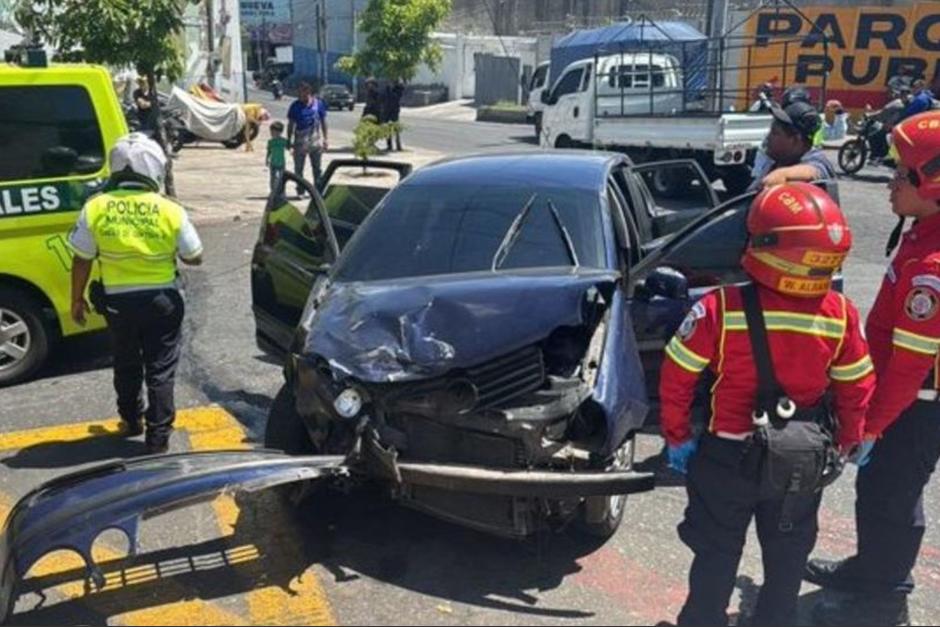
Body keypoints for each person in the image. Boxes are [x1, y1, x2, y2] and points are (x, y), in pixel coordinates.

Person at [661, 182, 875, 626]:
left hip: (727, 456)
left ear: (762, 244)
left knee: (717, 554)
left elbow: (677, 376)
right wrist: (849, 439)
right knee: (787, 560)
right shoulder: (840, 313)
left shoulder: (721, 308)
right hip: (800, 460)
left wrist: (677, 435)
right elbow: (856, 386)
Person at [805, 110, 940, 627]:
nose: (891, 181)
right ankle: (870, 569)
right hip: (900, 396)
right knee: (877, 491)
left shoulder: (932, 267)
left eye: (903, 174)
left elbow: (910, 365)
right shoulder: (923, 234)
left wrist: (872, 425)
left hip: (912, 404)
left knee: (893, 496)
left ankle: (884, 603)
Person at [68, 133, 203, 454]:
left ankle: (131, 419)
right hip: (162, 302)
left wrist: (76, 299)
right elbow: (195, 255)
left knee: (126, 362)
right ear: (154, 169)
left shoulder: (95, 208)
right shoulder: (169, 209)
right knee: (161, 368)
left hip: (117, 304)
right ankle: (158, 438)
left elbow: (81, 258)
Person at [749, 101, 836, 191]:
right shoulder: (778, 160)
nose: (768, 137)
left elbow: (815, 171)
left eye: (775, 133)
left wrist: (782, 174)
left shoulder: (813, 158)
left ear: (795, 140)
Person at [287, 82, 328, 195]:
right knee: (298, 169)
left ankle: (318, 191)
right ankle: (300, 190)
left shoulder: (318, 104)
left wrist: (325, 139)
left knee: (317, 168)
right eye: (299, 93)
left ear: (308, 92)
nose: (300, 96)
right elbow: (291, 124)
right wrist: (289, 140)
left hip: (315, 141)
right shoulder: (295, 106)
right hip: (300, 142)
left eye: (303, 93)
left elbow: (323, 122)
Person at [266, 121, 288, 194]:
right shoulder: (270, 142)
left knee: (281, 178)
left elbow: (289, 147)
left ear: (280, 132)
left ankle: (282, 192)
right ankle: (273, 192)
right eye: (271, 132)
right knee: (273, 178)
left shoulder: (283, 141)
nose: (272, 133)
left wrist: (292, 150)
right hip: (273, 163)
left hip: (281, 163)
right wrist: (267, 159)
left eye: (274, 132)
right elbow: (269, 151)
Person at [383, 79, 404, 152]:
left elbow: (395, 97)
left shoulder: (398, 89)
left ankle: (398, 146)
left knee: (396, 128)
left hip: (394, 111)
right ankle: (389, 146)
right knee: (387, 129)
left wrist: (390, 89)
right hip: (387, 110)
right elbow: (384, 97)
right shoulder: (387, 88)